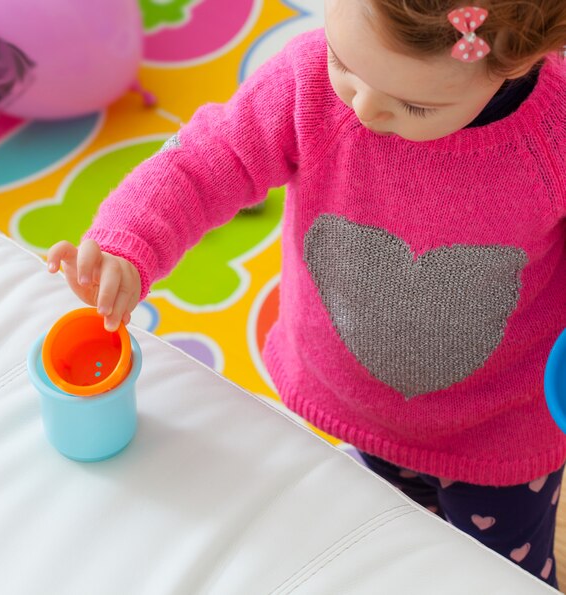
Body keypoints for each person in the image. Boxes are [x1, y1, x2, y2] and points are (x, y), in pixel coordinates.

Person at [47, 0, 566, 586]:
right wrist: (131, 236)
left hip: (500, 432)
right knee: (385, 552)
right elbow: (207, 160)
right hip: (352, 401)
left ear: (514, 62)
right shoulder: (308, 81)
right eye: (345, 63)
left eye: (416, 105)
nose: (364, 109)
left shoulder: (555, 134)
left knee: (498, 578)